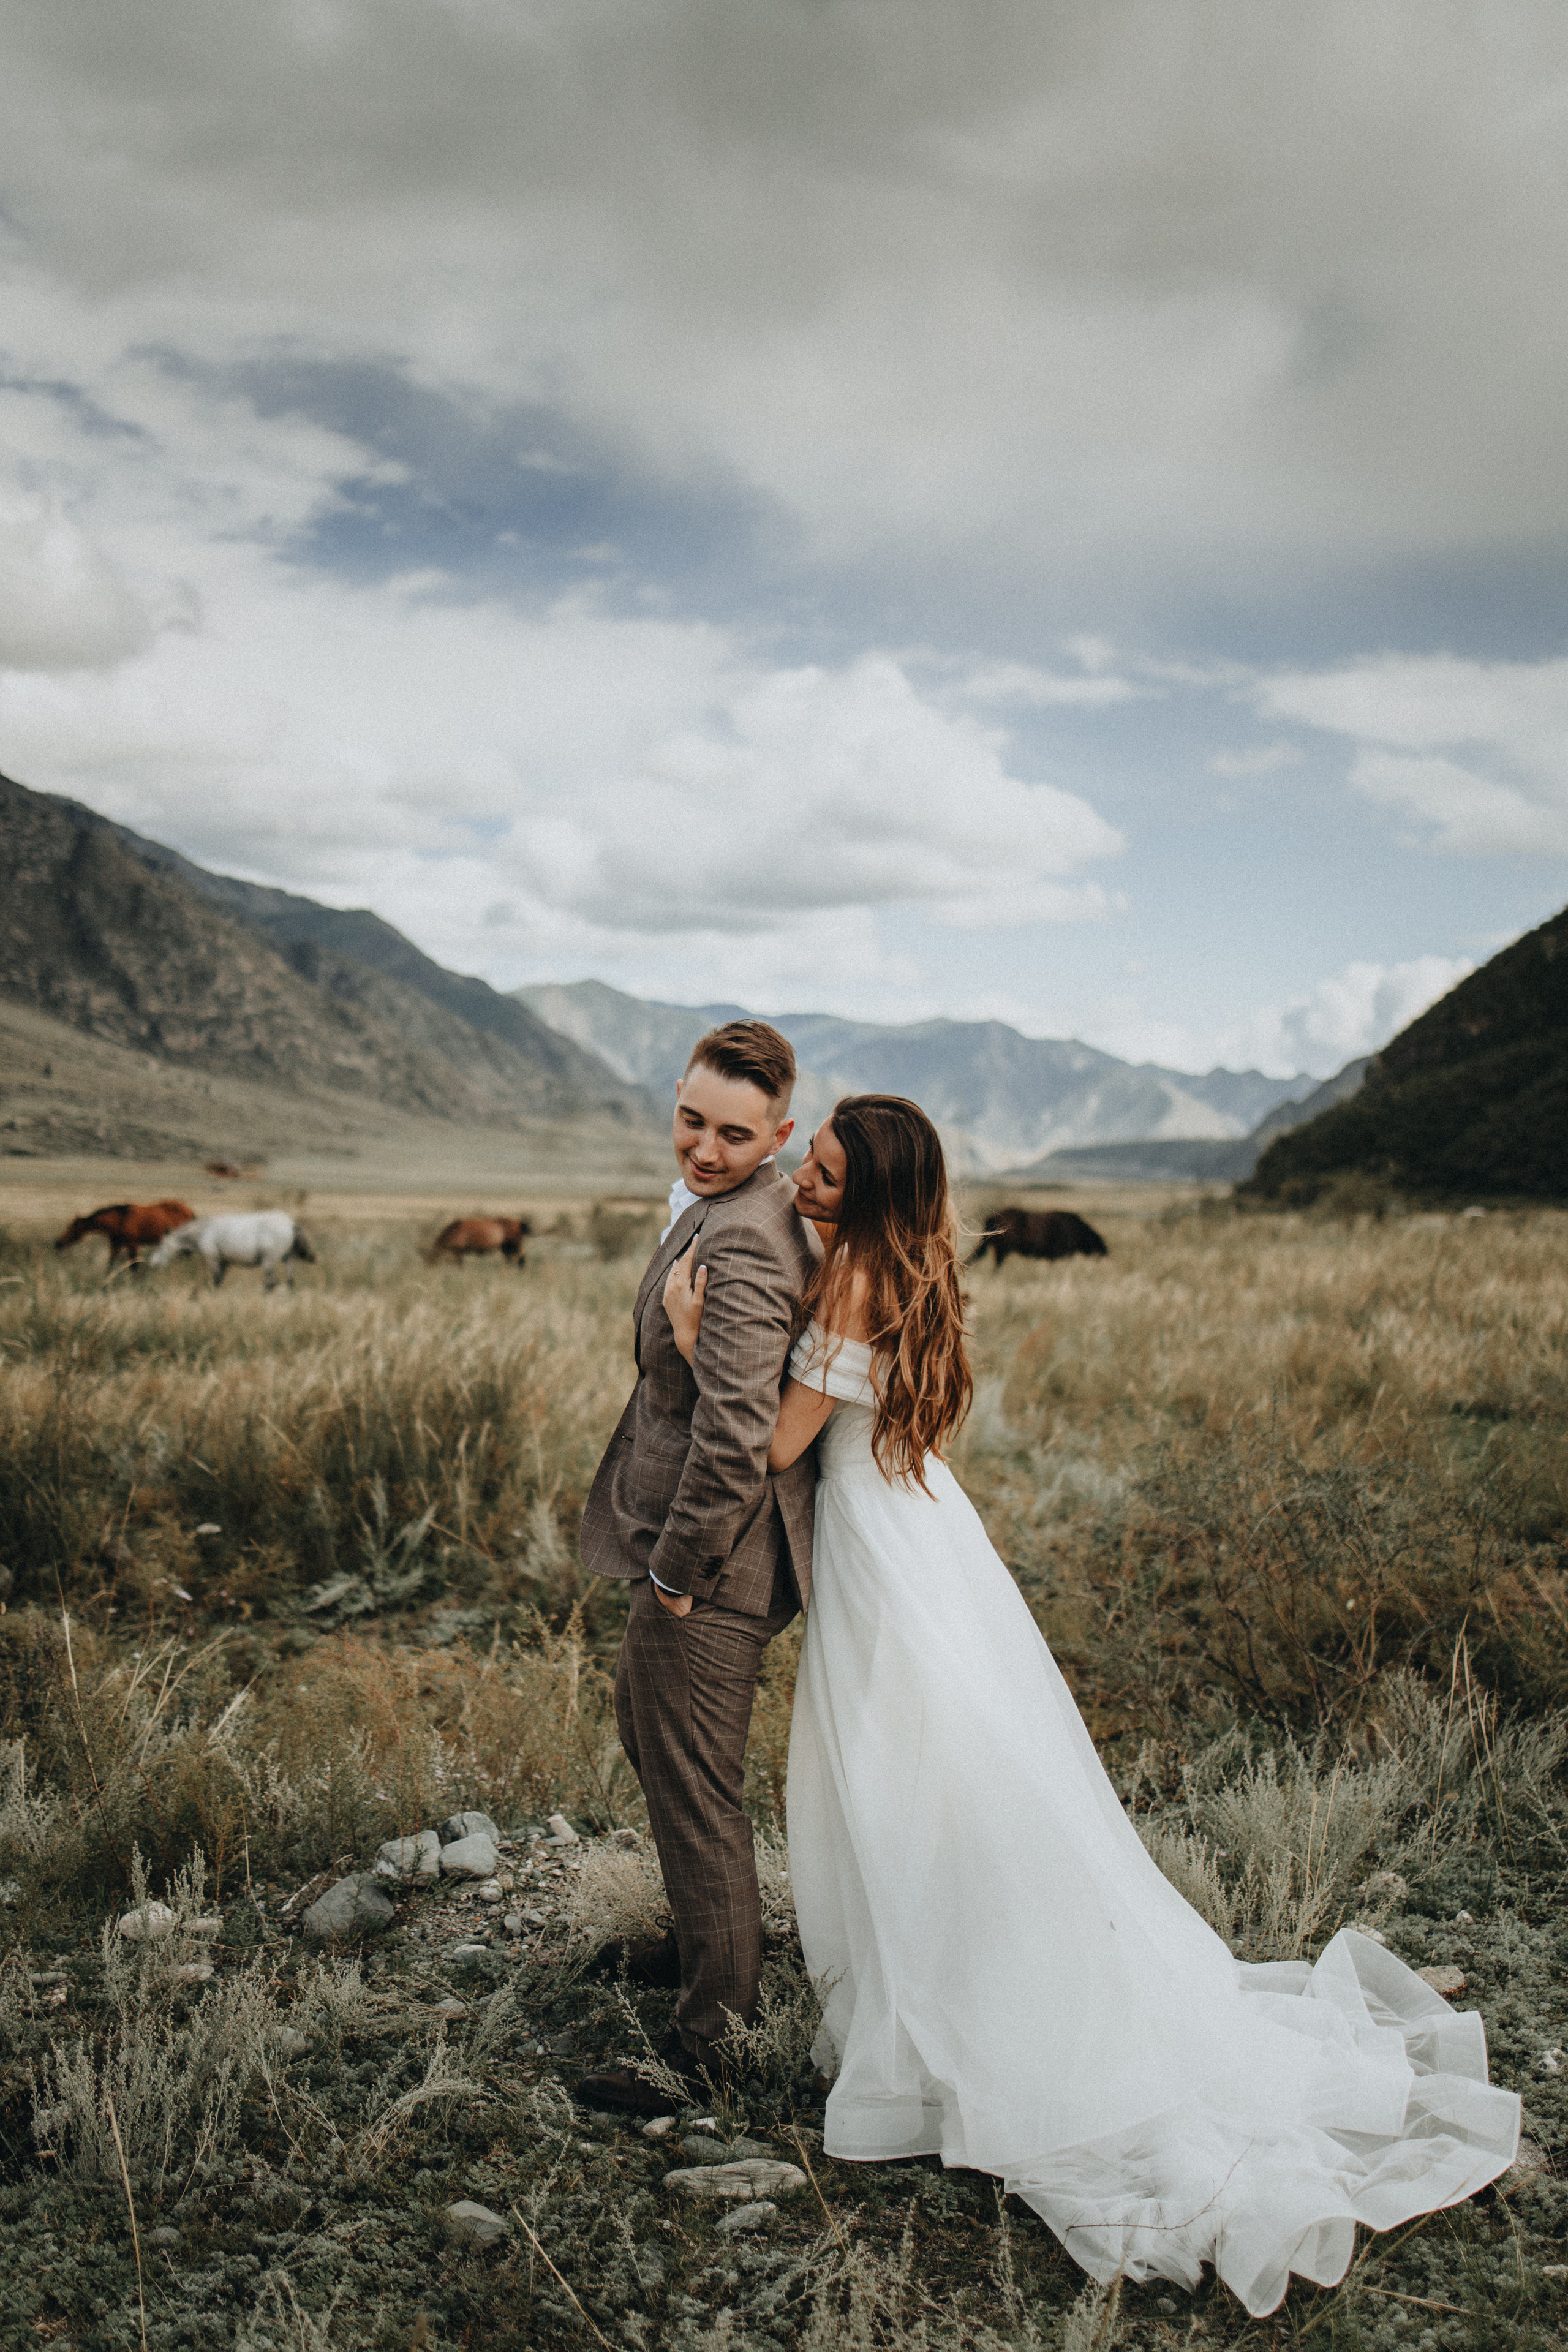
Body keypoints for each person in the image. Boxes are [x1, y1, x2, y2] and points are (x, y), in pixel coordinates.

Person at [658, 1092, 1521, 2318]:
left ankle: (953, 2003)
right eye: (807, 1157)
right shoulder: (889, 1261)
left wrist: (698, 1342)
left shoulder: (852, 1279)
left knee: (910, 1766)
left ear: (876, 1197)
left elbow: (777, 1448)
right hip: (920, 1528)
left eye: (829, 1175)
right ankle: (944, 1972)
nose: (803, 1179)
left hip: (881, 1548)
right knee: (948, 1761)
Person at [576, 1019, 818, 2112]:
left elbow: (736, 1434)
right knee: (651, 1733)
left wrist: (679, 1573)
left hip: (711, 1562)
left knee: (696, 1782)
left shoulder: (751, 1238)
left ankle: (713, 2039)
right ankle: (698, 1952)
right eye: (690, 1121)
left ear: (781, 1133)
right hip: (685, 1545)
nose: (704, 1150)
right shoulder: (732, 1207)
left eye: (733, 1133)